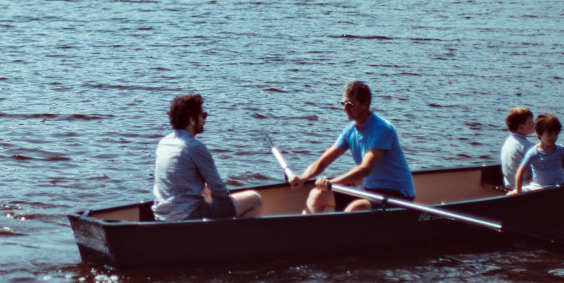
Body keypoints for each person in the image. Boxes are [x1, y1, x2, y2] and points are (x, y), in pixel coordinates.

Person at [290, 81, 415, 213]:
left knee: (355, 208)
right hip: (371, 191)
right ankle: (310, 226)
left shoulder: (383, 129)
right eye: (343, 104)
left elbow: (365, 169)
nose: (345, 108)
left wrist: (333, 183)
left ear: (365, 104)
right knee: (317, 195)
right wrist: (302, 178)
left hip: (398, 196)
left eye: (349, 104)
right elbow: (322, 163)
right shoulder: (349, 131)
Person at [152, 93, 264, 221]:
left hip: (162, 217)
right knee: (254, 199)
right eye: (203, 115)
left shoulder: (164, 143)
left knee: (207, 192)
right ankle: (238, 235)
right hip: (188, 216)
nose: (204, 120)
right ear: (192, 120)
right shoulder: (194, 147)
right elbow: (220, 191)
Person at [509, 113, 564, 193]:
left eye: (556, 134)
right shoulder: (533, 152)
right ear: (539, 135)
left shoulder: (560, 149)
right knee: (512, 194)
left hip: (558, 186)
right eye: (550, 134)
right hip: (538, 188)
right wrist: (518, 191)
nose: (553, 137)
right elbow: (520, 173)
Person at [500, 107, 535, 189]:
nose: (534, 123)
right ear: (521, 127)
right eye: (531, 122)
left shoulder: (508, 141)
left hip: (509, 184)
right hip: (523, 186)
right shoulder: (526, 146)